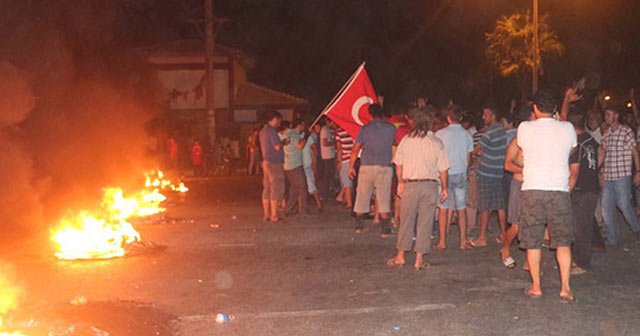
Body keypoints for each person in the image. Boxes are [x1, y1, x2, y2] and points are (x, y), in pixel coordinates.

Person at [517, 89, 577, 301]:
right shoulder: (567, 128)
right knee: (562, 241)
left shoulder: (524, 128)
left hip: (532, 188)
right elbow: (570, 151)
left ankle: (536, 287)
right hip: (558, 190)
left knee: (533, 241)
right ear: (554, 109)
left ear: (535, 108)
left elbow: (523, 149)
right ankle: (565, 288)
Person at [388, 106, 449, 270]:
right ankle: (419, 259)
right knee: (425, 222)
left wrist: (400, 181)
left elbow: (398, 163)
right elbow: (443, 168)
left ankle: (400, 256)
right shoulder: (436, 142)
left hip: (410, 185)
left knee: (406, 220)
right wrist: (444, 188)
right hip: (429, 185)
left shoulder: (407, 140)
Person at [349, 104, 397, 235]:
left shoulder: (365, 129)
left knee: (362, 196)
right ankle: (385, 229)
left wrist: (351, 167)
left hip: (366, 166)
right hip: (384, 166)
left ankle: (359, 226)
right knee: (383, 197)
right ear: (382, 114)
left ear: (370, 114)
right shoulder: (391, 128)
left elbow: (355, 149)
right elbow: (394, 142)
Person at [599, 105, 640, 245]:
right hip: (609, 176)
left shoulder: (626, 131)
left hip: (622, 175)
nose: (606, 117)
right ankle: (612, 238)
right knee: (606, 208)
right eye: (606, 114)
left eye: (609, 114)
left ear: (616, 116)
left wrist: (638, 172)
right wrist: (600, 170)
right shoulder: (607, 133)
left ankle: (636, 229)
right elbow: (603, 152)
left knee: (624, 206)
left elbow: (635, 152)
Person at [500, 106, 535, 269]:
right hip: (519, 185)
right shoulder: (517, 141)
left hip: (534, 185)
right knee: (517, 225)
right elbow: (507, 165)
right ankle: (505, 249)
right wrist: (525, 169)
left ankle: (530, 258)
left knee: (533, 224)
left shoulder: (540, 140)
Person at [435, 105, 473, 250]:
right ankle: (463, 241)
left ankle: (442, 241)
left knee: (443, 208)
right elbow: (468, 157)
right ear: (461, 118)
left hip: (445, 173)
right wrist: (465, 169)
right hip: (460, 173)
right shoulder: (467, 134)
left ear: (448, 118)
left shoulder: (440, 134)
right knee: (461, 208)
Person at [469, 105, 507, 247]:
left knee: (484, 206)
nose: (483, 117)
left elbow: (476, 150)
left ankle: (482, 237)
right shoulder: (502, 131)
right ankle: (503, 234)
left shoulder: (489, 133)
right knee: (499, 205)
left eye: (486, 114)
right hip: (498, 172)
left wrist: (478, 153)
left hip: (486, 173)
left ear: (493, 115)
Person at [567, 112, 600, 275]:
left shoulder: (577, 144)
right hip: (592, 187)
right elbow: (601, 154)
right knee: (584, 225)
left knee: (581, 228)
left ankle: (582, 262)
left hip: (582, 189)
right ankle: (581, 257)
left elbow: (574, 172)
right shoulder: (591, 140)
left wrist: (568, 191)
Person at [259, 111, 286, 222]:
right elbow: (277, 147)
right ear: (275, 119)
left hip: (266, 161)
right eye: (279, 120)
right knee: (276, 186)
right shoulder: (272, 131)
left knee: (267, 188)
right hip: (275, 163)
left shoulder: (263, 131)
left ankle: (266, 214)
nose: (279, 123)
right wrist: (284, 142)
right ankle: (274, 215)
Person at [283, 119, 309, 216]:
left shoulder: (289, 133)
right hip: (295, 165)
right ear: (300, 125)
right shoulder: (294, 135)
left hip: (289, 165)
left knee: (294, 188)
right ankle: (303, 210)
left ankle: (288, 209)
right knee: (302, 187)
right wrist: (306, 136)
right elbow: (300, 146)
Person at [300, 121, 323, 212]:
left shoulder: (307, 137)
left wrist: (314, 162)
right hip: (300, 164)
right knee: (300, 187)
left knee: (311, 186)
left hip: (307, 164)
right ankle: (302, 206)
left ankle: (319, 205)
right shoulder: (297, 137)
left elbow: (314, 148)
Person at [335, 127, 354, 209]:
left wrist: (339, 161)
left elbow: (339, 148)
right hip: (354, 158)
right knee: (351, 181)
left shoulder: (339, 132)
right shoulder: (352, 129)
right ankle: (344, 199)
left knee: (346, 182)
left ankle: (349, 203)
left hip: (345, 159)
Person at [320, 118, 337, 199]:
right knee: (327, 175)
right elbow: (325, 143)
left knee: (330, 175)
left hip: (331, 155)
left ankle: (329, 192)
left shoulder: (330, 130)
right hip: (327, 155)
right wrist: (334, 142)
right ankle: (325, 193)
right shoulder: (324, 130)